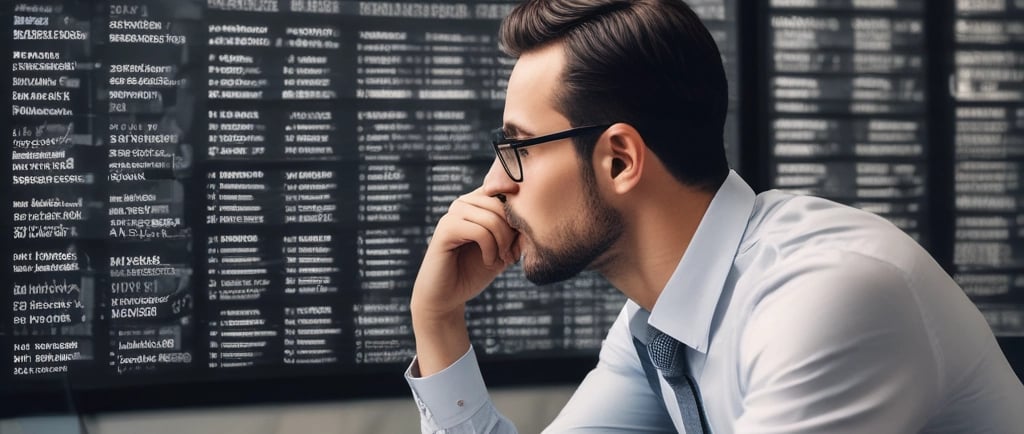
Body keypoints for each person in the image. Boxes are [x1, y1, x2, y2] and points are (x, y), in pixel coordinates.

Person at [403, 0, 1024, 432]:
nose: (492, 187)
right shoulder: (658, 323)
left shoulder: (828, 298)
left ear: (619, 160)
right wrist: (437, 323)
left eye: (518, 150)